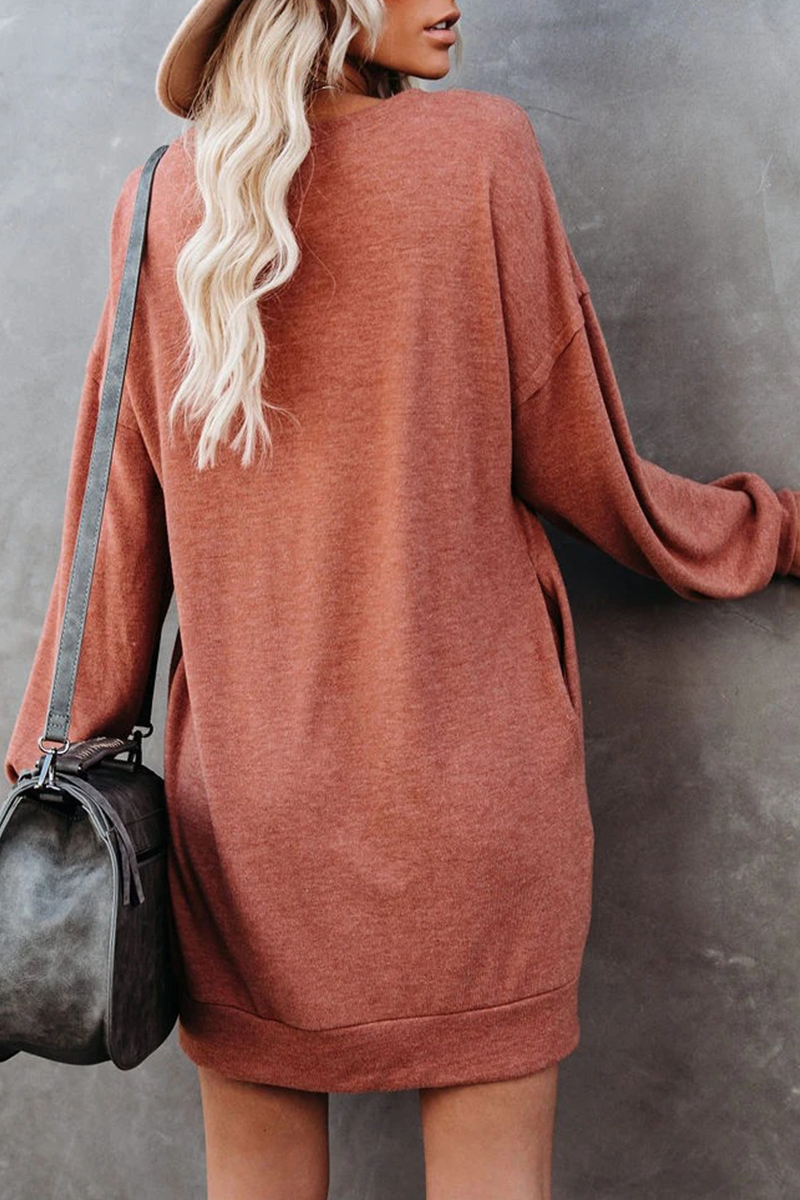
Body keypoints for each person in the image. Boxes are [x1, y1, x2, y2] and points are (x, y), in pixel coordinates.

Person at [5, 1, 800, 1197]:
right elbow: (589, 468)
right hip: (475, 808)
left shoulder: (161, 203)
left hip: (250, 827)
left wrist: (42, 778)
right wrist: (770, 529)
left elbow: (112, 540)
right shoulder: (481, 155)